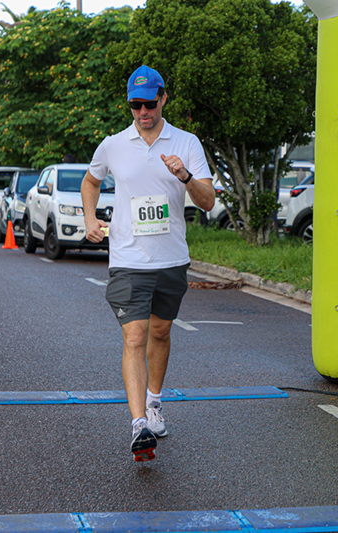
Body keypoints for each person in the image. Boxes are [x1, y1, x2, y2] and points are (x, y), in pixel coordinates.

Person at [81, 65, 215, 462]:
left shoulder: (187, 143)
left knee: (160, 332)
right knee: (135, 337)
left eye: (149, 103)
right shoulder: (114, 144)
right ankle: (139, 423)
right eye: (135, 105)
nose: (143, 111)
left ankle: (154, 403)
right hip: (127, 257)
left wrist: (186, 176)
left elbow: (207, 201)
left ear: (163, 99)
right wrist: (90, 218)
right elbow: (91, 181)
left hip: (171, 258)